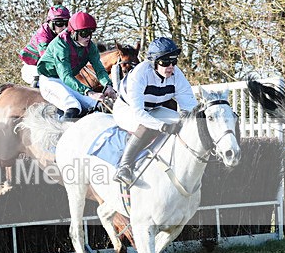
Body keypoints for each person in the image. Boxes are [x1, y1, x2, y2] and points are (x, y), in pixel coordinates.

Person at [112, 37, 198, 186]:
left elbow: (190, 106)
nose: (171, 67)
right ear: (153, 62)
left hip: (154, 109)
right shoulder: (140, 74)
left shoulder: (176, 74)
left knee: (182, 122)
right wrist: (161, 126)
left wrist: (188, 118)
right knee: (148, 125)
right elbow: (139, 113)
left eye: (173, 62)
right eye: (165, 63)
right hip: (127, 110)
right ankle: (123, 166)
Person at [35, 11, 117, 120]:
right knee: (73, 106)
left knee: (97, 105)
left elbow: (99, 69)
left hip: (67, 82)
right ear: (73, 33)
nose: (88, 37)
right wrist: (89, 92)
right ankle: (58, 134)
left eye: (90, 32)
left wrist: (108, 85)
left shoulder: (90, 47)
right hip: (50, 80)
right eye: (84, 33)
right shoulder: (60, 45)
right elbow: (66, 76)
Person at [19, 5, 71, 86]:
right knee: (49, 80)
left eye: (66, 23)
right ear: (50, 22)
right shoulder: (43, 36)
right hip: (32, 67)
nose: (64, 27)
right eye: (59, 23)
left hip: (47, 64)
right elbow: (47, 59)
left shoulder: (66, 34)